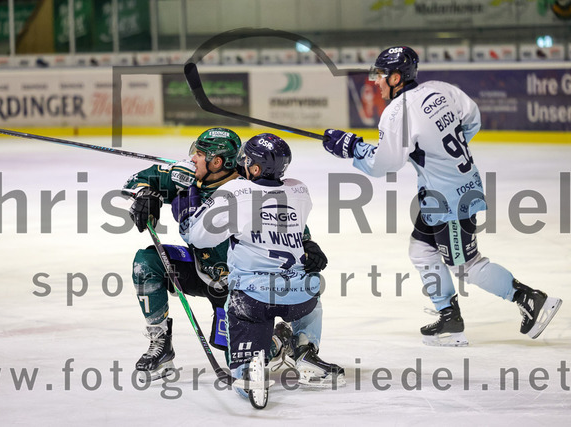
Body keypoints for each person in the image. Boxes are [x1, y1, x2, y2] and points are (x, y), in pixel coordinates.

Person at [321, 46, 562, 346]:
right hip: (447, 193)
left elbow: (384, 164)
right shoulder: (440, 90)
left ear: (396, 78)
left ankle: (530, 299)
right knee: (421, 249)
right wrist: (437, 154)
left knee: (467, 265)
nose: (376, 82)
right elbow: (472, 118)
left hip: (450, 201)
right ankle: (449, 317)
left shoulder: (397, 112)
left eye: (381, 76)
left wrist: (352, 148)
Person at [185, 133, 345, 404]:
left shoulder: (234, 193)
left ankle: (249, 370)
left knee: (241, 368)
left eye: (246, 160)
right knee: (311, 283)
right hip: (299, 297)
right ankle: (305, 351)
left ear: (256, 168)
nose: (241, 164)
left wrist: (189, 198)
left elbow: (198, 237)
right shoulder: (299, 191)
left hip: (253, 298)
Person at [124, 128, 242, 380]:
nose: (192, 158)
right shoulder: (187, 176)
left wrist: (306, 243)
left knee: (240, 364)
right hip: (199, 270)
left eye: (199, 154)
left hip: (240, 288)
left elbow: (282, 220)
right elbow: (137, 180)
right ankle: (160, 344)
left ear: (216, 162)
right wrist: (145, 194)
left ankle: (280, 341)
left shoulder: (248, 190)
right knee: (147, 262)